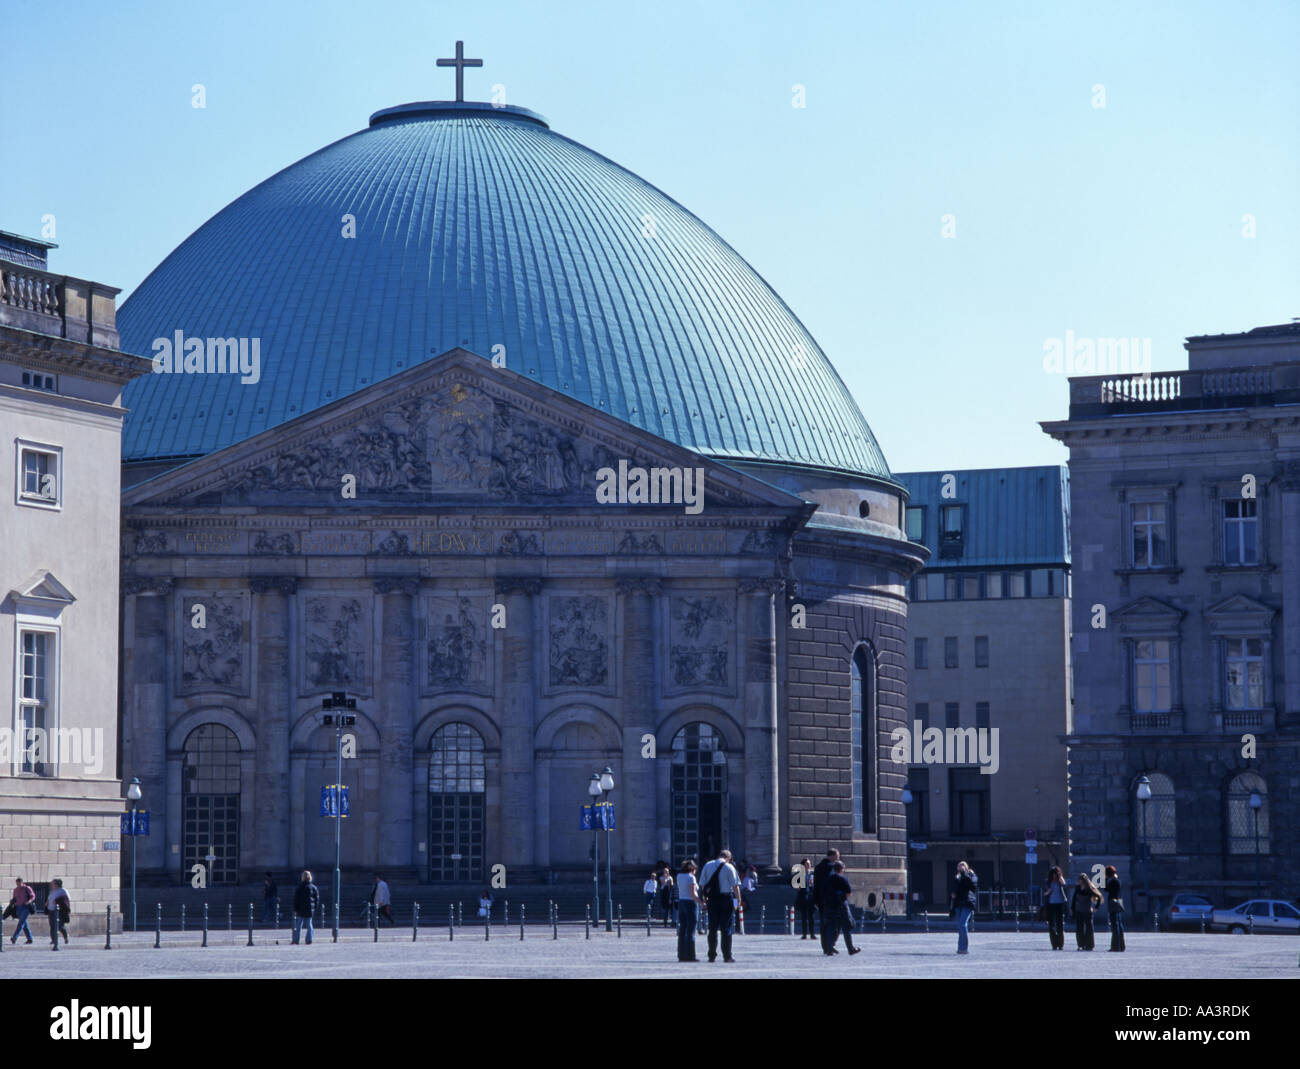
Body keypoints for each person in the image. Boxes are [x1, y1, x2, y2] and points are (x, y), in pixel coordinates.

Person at [698, 848, 741, 963]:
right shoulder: (729, 867)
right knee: (726, 928)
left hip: (712, 899)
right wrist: (738, 901)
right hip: (726, 899)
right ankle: (727, 956)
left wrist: (704, 900)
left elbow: (702, 885)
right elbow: (735, 887)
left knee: (712, 928)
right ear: (728, 858)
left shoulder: (707, 865)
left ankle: (711, 955)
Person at [824, 861, 862, 956]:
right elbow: (848, 892)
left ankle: (829, 949)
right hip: (841, 906)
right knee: (846, 928)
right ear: (841, 869)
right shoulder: (843, 879)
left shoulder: (828, 879)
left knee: (832, 927)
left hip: (831, 906)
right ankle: (851, 948)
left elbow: (824, 892)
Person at [812, 848, 840, 953]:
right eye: (837, 856)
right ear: (832, 856)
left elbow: (816, 885)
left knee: (824, 923)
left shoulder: (818, 867)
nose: (838, 858)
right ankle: (830, 944)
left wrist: (816, 900)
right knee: (836, 923)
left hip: (820, 899)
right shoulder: (832, 868)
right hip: (831, 899)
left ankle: (825, 946)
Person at [676, 860, 703, 962]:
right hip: (690, 903)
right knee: (691, 931)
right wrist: (701, 902)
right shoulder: (691, 877)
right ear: (693, 869)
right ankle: (691, 955)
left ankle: (681, 954)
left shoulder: (679, 876)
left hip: (681, 902)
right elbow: (693, 894)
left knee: (682, 930)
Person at [949, 860, 978, 954]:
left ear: (966, 867)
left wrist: (965, 873)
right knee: (960, 926)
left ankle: (964, 948)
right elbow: (954, 889)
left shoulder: (971, 876)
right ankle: (960, 948)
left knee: (962, 924)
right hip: (958, 904)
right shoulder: (957, 877)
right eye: (959, 866)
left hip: (968, 903)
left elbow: (972, 885)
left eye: (963, 866)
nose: (961, 868)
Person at [1070, 873, 1102, 950]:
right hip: (1079, 910)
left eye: (1081, 880)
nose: (1079, 882)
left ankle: (1089, 945)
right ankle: (1081, 944)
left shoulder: (1089, 889)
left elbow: (1099, 896)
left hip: (1087, 910)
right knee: (1079, 928)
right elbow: (1074, 899)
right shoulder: (1077, 888)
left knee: (1089, 928)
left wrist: (1096, 907)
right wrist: (1072, 908)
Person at [292, 870, 320, 945]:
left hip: (301, 909)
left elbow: (296, 899)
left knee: (298, 926)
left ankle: (296, 940)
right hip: (309, 910)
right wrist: (315, 907)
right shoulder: (313, 887)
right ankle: (309, 940)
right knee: (309, 926)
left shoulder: (299, 887)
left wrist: (295, 909)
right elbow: (316, 899)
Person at [1043, 866, 1068, 950]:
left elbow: (1065, 886)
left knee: (1060, 924)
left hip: (1059, 903)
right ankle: (1054, 944)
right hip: (1051, 904)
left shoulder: (1060, 882)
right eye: (1053, 874)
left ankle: (1060, 944)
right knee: (1052, 925)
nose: (1054, 876)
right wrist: (1049, 891)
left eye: (1056, 874)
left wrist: (1061, 878)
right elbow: (1045, 893)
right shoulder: (1048, 882)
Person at [45, 878, 71, 951]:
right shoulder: (52, 891)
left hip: (58, 911)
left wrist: (58, 901)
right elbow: (49, 898)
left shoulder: (63, 890)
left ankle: (66, 937)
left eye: (53, 883)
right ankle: (53, 940)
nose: (51, 885)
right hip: (51, 910)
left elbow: (67, 899)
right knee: (52, 925)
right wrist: (47, 902)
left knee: (60, 925)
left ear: (57, 884)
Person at [1104, 865, 1125, 952]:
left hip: (1113, 903)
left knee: (1114, 925)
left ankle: (1115, 946)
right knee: (1119, 924)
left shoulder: (1113, 882)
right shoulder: (1118, 881)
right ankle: (1121, 945)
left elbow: (1106, 889)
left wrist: (1105, 879)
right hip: (1118, 902)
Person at [794, 858, 816, 939]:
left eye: (809, 863)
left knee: (811, 917)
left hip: (811, 898)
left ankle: (812, 934)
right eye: (807, 864)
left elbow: (814, 885)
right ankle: (804, 934)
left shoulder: (812, 874)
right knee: (804, 917)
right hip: (803, 897)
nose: (809, 865)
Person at [9, 878, 35, 945]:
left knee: (21, 922)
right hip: (19, 907)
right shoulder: (15, 890)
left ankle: (14, 937)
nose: (18, 885)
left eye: (19, 883)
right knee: (24, 923)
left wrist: (29, 901)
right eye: (17, 884)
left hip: (26, 907)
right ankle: (30, 939)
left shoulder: (27, 888)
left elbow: (33, 896)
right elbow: (15, 898)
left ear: (22, 882)